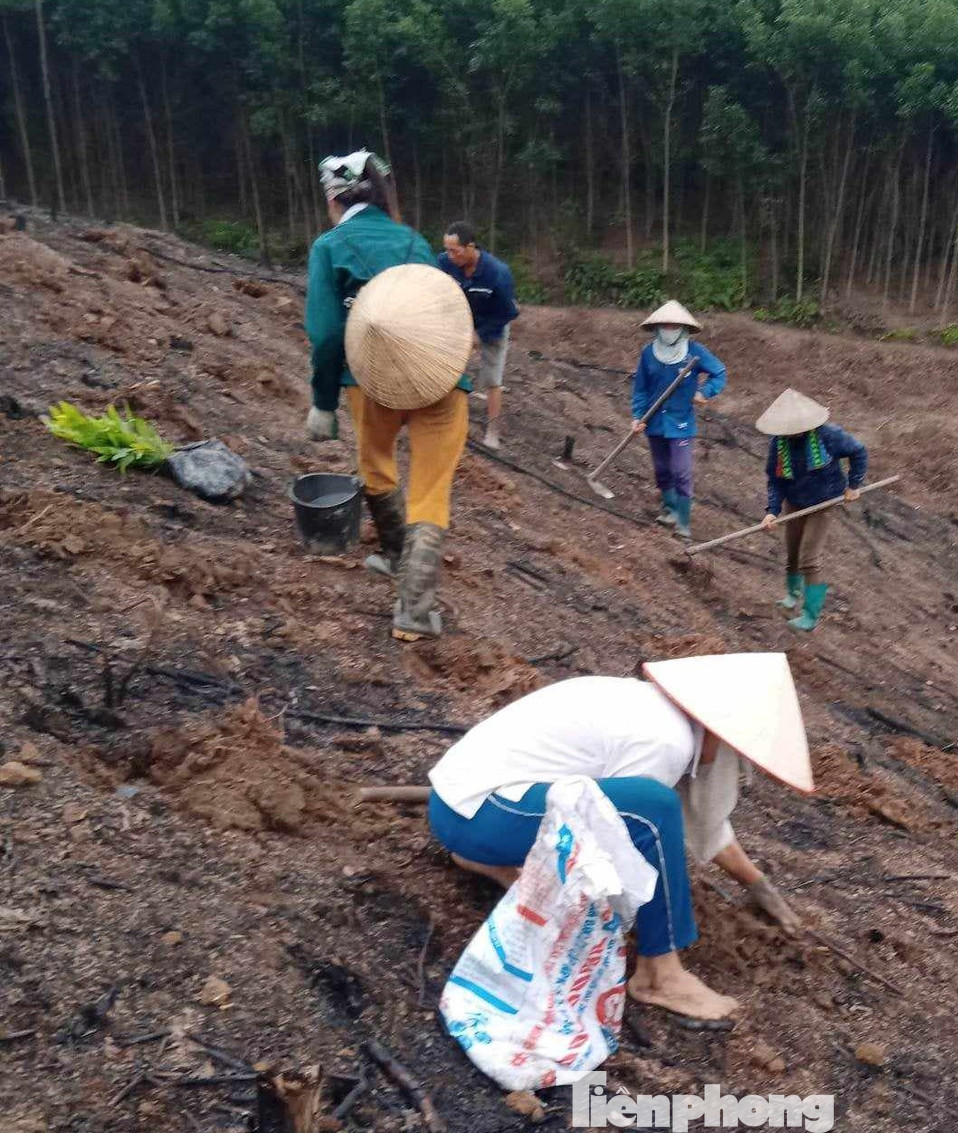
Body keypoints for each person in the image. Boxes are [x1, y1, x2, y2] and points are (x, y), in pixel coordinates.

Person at [425, 652, 810, 1023]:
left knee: (653, 806)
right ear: (719, 729)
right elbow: (634, 829)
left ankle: (489, 858)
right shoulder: (666, 741)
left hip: (458, 806)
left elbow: (699, 819)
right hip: (480, 818)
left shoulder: (649, 708)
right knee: (656, 809)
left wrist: (756, 883)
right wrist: (623, 916)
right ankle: (661, 974)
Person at [304, 150, 473, 640]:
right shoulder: (413, 240)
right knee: (430, 489)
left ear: (334, 199)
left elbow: (328, 333)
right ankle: (414, 612)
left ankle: (399, 558)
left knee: (376, 463)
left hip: (370, 380)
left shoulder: (330, 246)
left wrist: (322, 402)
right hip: (440, 378)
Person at [756, 389, 867, 632]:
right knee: (793, 553)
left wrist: (854, 484)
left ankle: (810, 616)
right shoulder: (779, 444)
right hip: (795, 501)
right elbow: (775, 480)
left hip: (824, 502)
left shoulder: (829, 436)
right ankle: (792, 596)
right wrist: (772, 510)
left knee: (809, 558)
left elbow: (858, 452)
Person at [630, 301, 727, 539]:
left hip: (681, 422)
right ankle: (669, 510)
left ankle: (683, 523)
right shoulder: (648, 354)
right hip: (653, 421)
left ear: (683, 328)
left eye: (674, 326)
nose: (669, 329)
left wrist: (705, 392)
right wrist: (637, 416)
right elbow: (640, 388)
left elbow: (719, 373)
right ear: (657, 327)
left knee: (681, 471)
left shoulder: (694, 353)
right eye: (665, 325)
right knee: (662, 469)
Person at [438, 224, 519, 450]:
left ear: (470, 247)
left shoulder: (497, 273)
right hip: (460, 321)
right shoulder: (444, 263)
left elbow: (509, 312)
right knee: (449, 368)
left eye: (455, 251)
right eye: (448, 250)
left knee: (492, 379)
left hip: (493, 325)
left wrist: (479, 334)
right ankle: (445, 419)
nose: (450, 256)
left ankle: (493, 431)